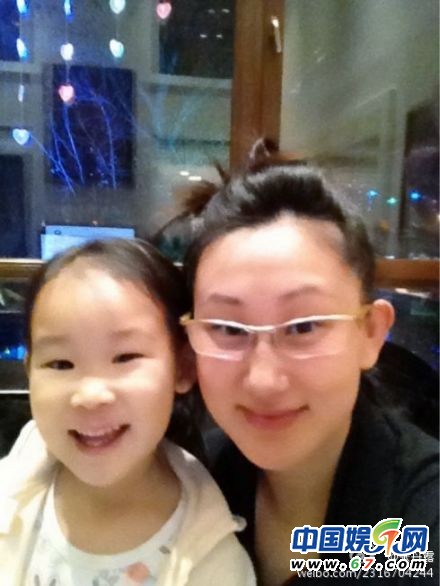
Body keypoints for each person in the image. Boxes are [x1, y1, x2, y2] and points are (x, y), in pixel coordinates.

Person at [178, 139, 439, 585]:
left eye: (303, 327)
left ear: (370, 333)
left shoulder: (420, 517)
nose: (263, 380)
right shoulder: (191, 483)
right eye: (228, 328)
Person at [0, 239, 255, 586]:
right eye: (60, 364)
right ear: (30, 372)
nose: (90, 395)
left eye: (125, 358)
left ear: (182, 367)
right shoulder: (13, 494)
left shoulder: (211, 557)